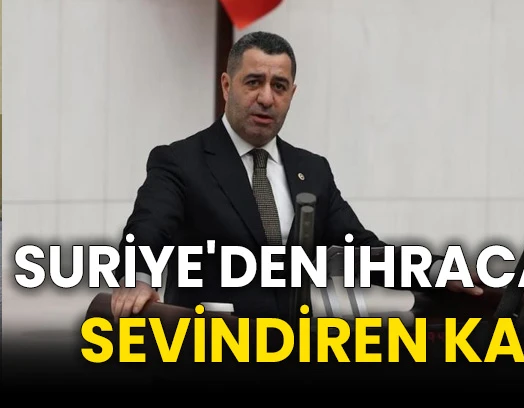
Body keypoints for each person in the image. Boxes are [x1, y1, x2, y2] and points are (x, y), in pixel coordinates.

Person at [111, 31, 484, 319]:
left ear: (292, 92)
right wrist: (137, 279)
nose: (266, 98)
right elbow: (147, 228)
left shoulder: (312, 170)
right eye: (253, 82)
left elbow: (362, 250)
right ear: (227, 85)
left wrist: (437, 269)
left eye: (279, 86)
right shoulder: (180, 161)